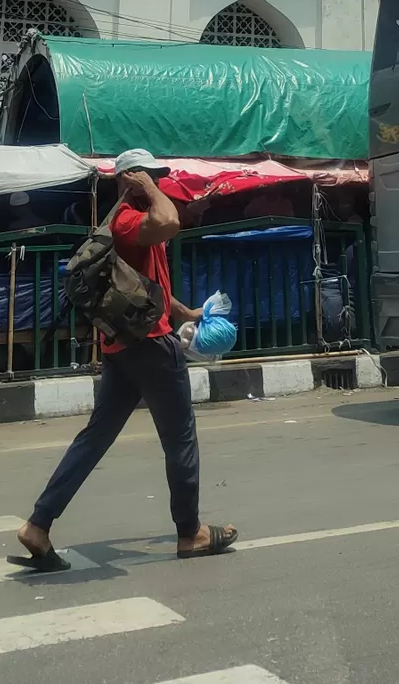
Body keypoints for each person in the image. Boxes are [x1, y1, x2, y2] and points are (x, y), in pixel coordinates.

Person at [16, 148, 238, 567]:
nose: (157, 181)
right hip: (151, 346)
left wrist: (186, 313)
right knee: (180, 438)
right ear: (130, 178)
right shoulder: (128, 219)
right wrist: (149, 188)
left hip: (123, 347)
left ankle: (38, 525)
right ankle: (190, 532)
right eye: (149, 174)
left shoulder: (131, 222)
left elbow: (143, 286)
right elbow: (170, 221)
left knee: (96, 436)